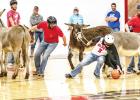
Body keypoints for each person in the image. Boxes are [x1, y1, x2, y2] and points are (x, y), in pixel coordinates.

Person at [125, 4, 140, 73]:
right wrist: (129, 33)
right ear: (137, 10)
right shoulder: (134, 18)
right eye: (139, 10)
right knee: (135, 53)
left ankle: (138, 67)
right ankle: (130, 68)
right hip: (135, 37)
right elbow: (126, 25)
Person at [6, 0, 20, 65]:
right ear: (11, 5)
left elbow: (18, 22)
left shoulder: (18, 13)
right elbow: (11, 22)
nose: (15, 5)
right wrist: (15, 28)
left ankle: (15, 60)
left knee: (17, 46)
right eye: (14, 4)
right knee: (11, 46)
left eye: (16, 4)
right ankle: (9, 61)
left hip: (16, 31)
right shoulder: (9, 12)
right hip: (11, 30)